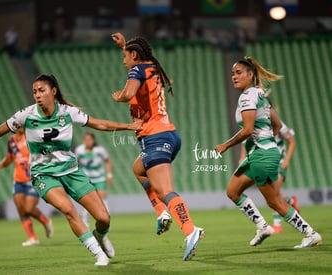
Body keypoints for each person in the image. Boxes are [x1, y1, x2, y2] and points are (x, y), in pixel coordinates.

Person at [0, 74, 141, 266]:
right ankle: (98, 255)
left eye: (41, 90)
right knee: (69, 210)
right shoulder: (26, 115)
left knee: (104, 218)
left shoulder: (68, 112)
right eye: (35, 91)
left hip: (71, 171)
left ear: (53, 92)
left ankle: (101, 235)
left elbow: (99, 124)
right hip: (43, 174)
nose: (37, 95)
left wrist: (130, 126)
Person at [110, 32, 205, 261]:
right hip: (168, 134)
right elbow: (137, 68)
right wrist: (125, 46)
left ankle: (191, 230)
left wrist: (119, 97)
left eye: (126, 56)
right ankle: (162, 212)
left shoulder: (137, 70)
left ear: (135, 55)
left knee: (164, 190)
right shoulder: (150, 67)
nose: (123, 61)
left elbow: (130, 91)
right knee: (137, 169)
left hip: (156, 137)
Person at [214, 56, 321, 248]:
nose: (234, 77)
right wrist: (267, 142)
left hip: (262, 155)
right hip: (261, 153)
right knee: (233, 191)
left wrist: (225, 145)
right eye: (232, 74)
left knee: (275, 202)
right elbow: (278, 125)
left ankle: (310, 233)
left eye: (238, 73)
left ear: (250, 74)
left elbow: (247, 130)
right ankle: (263, 226)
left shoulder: (247, 97)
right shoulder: (260, 94)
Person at [0, 127, 54, 246]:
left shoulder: (31, 137)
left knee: (29, 208)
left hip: (33, 179)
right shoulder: (11, 141)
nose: (19, 126)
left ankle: (45, 221)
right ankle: (33, 238)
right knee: (21, 209)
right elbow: (9, 158)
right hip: (18, 180)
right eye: (17, 124)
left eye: (21, 124)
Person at [239, 118, 298, 233]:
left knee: (274, 195)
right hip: (265, 163)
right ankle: (290, 201)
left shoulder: (278, 123)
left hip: (279, 163)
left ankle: (277, 225)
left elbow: (292, 142)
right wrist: (242, 157)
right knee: (274, 196)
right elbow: (244, 141)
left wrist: (287, 160)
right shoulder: (253, 124)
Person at [75, 132, 113, 227]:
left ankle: (106, 218)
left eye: (90, 139)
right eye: (86, 140)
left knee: (102, 198)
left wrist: (109, 175)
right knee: (87, 200)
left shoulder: (99, 150)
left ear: (93, 140)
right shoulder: (79, 150)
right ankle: (85, 221)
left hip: (99, 178)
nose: (88, 142)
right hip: (86, 179)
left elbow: (107, 161)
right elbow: (75, 163)